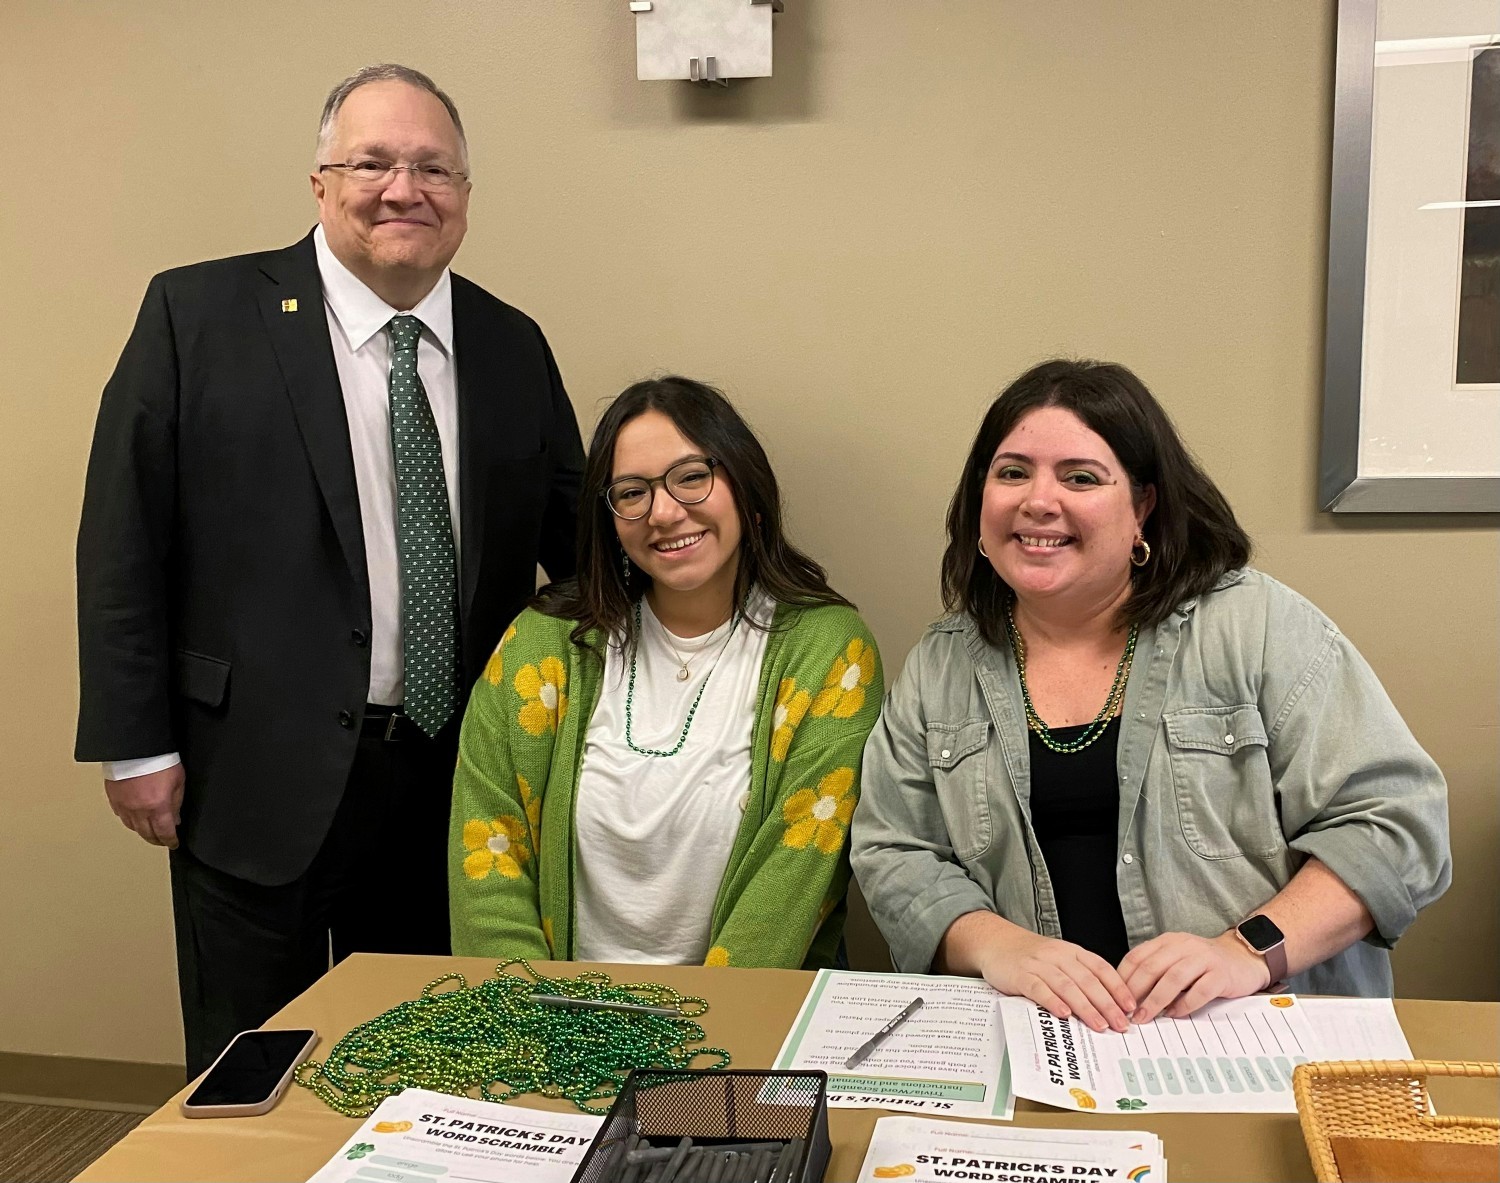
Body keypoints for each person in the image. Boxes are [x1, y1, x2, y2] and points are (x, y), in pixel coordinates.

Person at [75, 64, 585, 1077]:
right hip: (249, 776)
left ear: (466, 199)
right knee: (248, 1069)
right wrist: (135, 745)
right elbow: (124, 538)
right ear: (320, 183)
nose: (405, 188)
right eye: (374, 162)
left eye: (433, 167)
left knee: (423, 1056)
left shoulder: (509, 344)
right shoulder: (199, 316)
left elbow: (577, 552)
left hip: (448, 781)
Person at [851, 358, 1450, 1032]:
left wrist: (1245, 950)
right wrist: (1000, 945)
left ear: (1143, 507)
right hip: (1034, 1039)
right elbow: (894, 848)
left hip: (1251, 1034)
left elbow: (1397, 826)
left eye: (1081, 477)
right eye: (1012, 471)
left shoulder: (1258, 627)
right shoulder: (940, 664)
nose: (1038, 500)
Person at [449, 376, 881, 968]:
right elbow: (488, 864)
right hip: (554, 1029)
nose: (665, 512)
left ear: (743, 483)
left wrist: (701, 1044)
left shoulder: (828, 652)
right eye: (632, 492)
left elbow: (795, 883)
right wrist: (537, 1025)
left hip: (742, 1037)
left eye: (692, 477)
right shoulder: (543, 643)